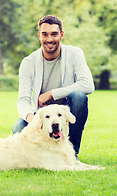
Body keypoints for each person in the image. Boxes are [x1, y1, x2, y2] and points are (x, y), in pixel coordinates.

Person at [12, 15, 94, 157]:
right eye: (45, 34)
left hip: (66, 112)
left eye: (54, 34)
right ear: (39, 36)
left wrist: (52, 94)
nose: (49, 39)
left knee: (79, 96)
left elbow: (88, 85)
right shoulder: (28, 62)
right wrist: (33, 120)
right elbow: (23, 99)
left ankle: (71, 154)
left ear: (61, 35)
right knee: (19, 128)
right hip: (42, 114)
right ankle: (39, 156)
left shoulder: (74, 53)